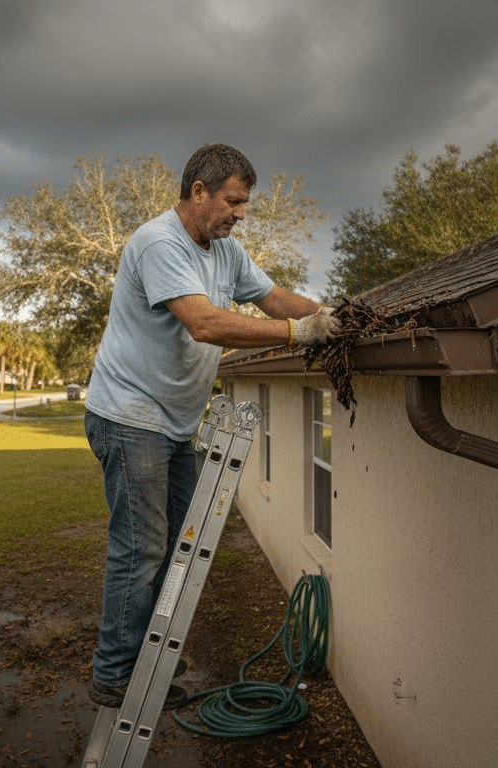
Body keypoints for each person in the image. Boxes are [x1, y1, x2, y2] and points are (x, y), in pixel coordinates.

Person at [83, 143, 340, 708]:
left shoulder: (225, 250)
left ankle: (144, 666)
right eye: (232, 201)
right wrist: (299, 336)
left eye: (244, 203)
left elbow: (273, 298)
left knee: (179, 545)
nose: (240, 213)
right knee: (142, 549)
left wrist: (330, 318)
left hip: (173, 423)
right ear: (198, 192)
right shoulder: (159, 243)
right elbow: (201, 323)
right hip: (130, 416)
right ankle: (114, 673)